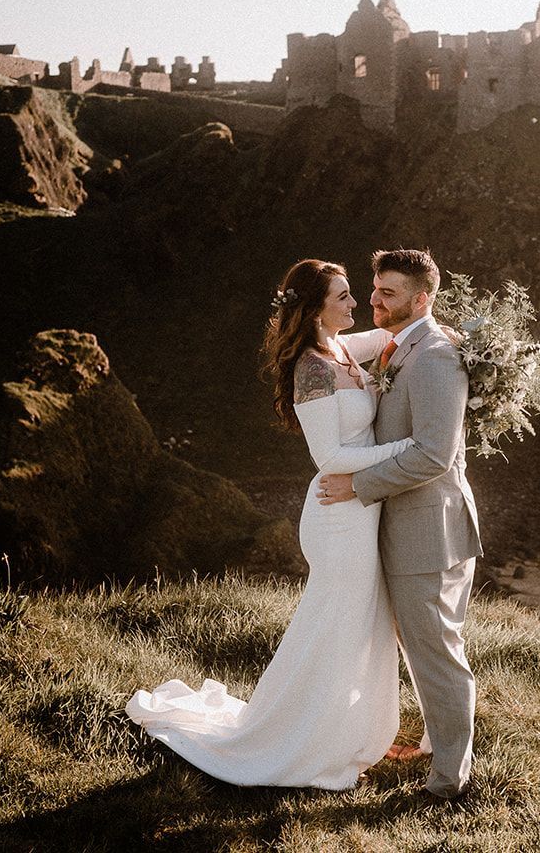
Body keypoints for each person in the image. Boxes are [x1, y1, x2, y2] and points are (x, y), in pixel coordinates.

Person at [124, 259, 410, 790]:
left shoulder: (343, 349)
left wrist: (460, 337)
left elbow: (397, 335)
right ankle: (300, 740)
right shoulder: (312, 367)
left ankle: (351, 732)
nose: (356, 305)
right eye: (344, 296)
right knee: (337, 630)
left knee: (358, 626)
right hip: (338, 516)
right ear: (317, 306)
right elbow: (330, 456)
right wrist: (412, 450)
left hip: (360, 512)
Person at [319, 247, 482, 800]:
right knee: (425, 647)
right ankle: (440, 747)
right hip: (419, 525)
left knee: (435, 652)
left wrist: (357, 485)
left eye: (387, 292)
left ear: (421, 299)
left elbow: (435, 454)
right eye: (374, 288)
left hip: (427, 534)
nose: (373, 299)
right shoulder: (402, 345)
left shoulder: (434, 355)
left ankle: (447, 782)